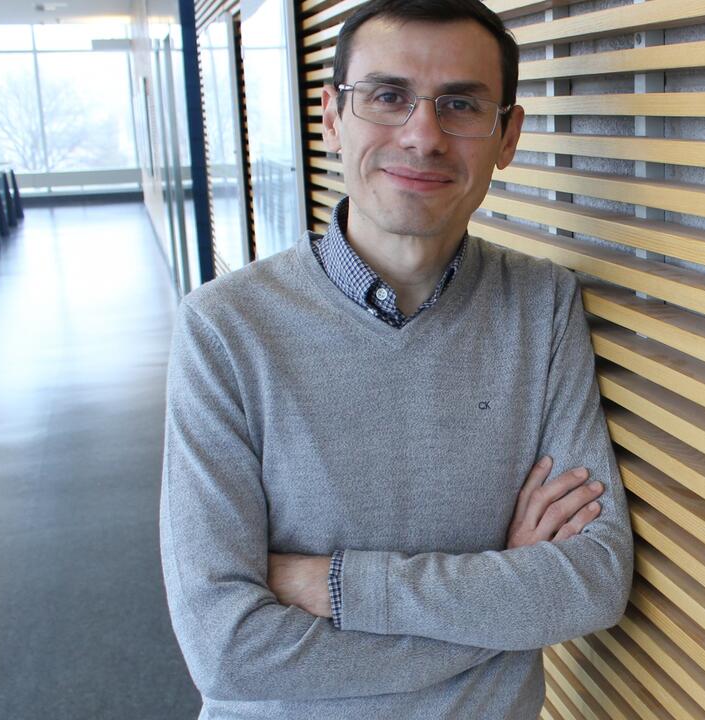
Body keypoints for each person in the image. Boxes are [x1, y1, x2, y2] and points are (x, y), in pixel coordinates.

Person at [159, 0, 633, 717]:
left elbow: (591, 581)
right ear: (330, 117)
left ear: (507, 136)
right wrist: (503, 602)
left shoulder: (544, 306)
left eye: (461, 105)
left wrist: (341, 586)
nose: (423, 136)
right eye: (387, 97)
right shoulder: (225, 330)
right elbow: (228, 652)